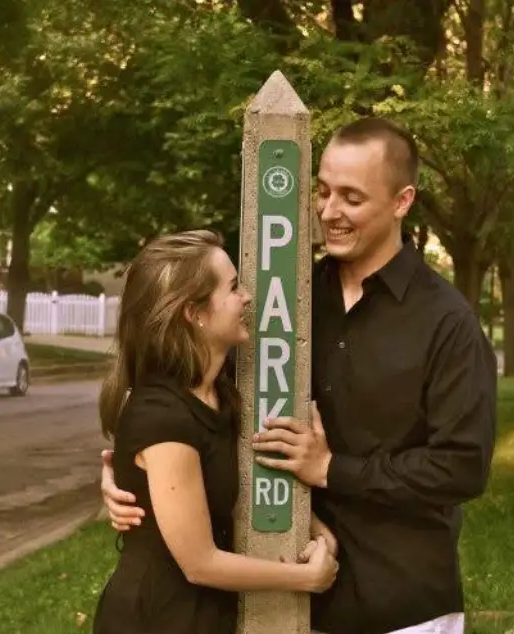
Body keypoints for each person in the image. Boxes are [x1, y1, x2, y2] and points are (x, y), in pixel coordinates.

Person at [101, 118, 497, 634]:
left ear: (402, 202)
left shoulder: (447, 322)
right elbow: (200, 410)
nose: (329, 211)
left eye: (352, 198)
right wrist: (132, 480)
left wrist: (332, 468)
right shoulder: (282, 303)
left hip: (403, 605)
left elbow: (462, 467)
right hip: (292, 608)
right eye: (324, 190)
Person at [92, 230, 339, 634]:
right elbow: (199, 562)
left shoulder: (222, 396)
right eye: (233, 287)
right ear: (195, 313)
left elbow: (238, 479)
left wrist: (318, 533)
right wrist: (306, 580)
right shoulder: (162, 416)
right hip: (156, 618)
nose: (246, 298)